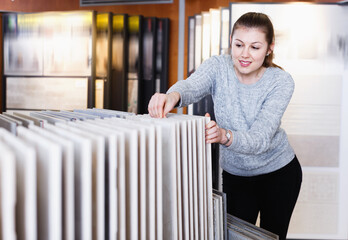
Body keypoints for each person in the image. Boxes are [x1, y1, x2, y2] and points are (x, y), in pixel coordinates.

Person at [148, 12, 302, 240]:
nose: (244, 54)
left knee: (272, 236)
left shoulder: (281, 81)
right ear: (231, 41)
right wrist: (172, 97)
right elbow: (192, 85)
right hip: (236, 174)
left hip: (278, 174)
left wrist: (223, 136)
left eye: (255, 47)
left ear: (269, 48)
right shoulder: (218, 66)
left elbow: (260, 139)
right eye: (239, 45)